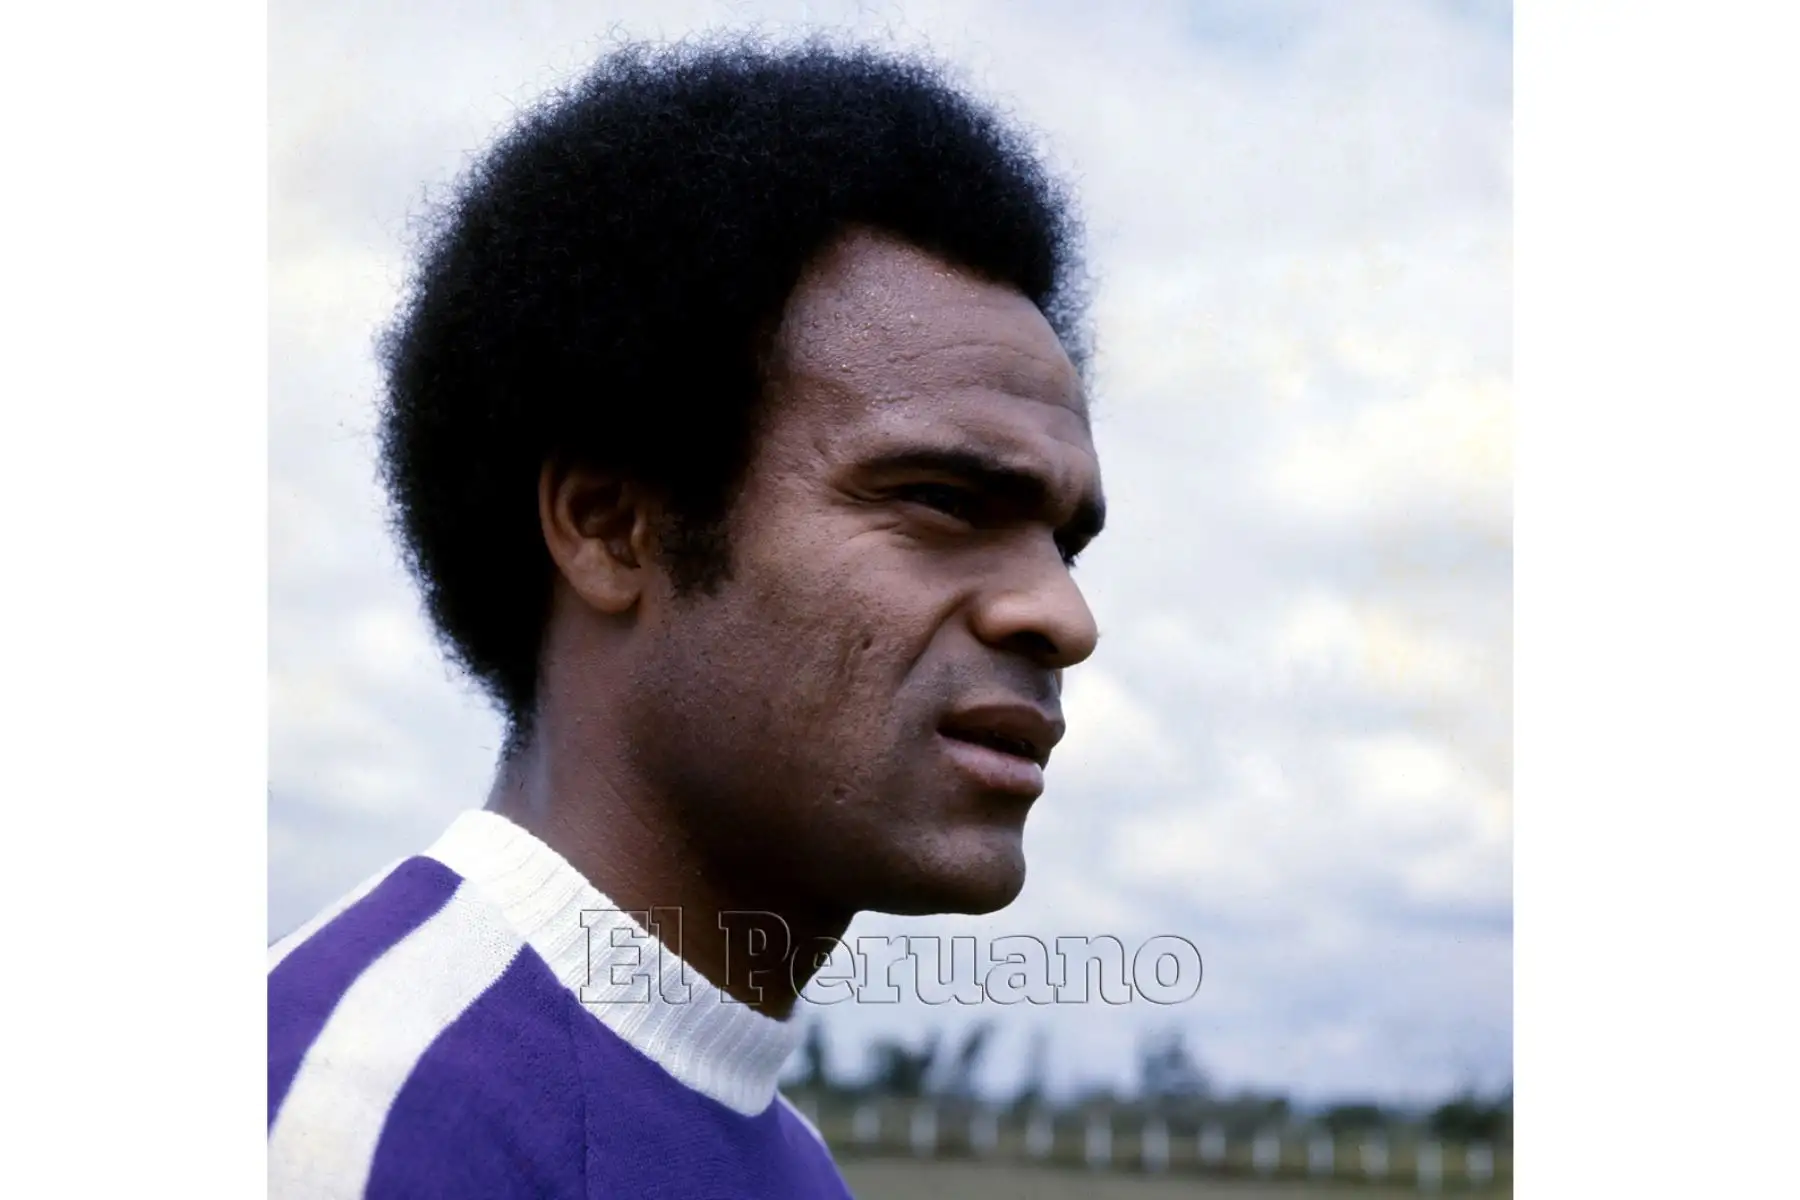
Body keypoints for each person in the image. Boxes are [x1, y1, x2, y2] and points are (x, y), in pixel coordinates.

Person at [268, 35, 1106, 1198]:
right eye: (941, 499)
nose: (1061, 615)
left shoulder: (796, 1168)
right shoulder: (343, 1125)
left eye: (1064, 543)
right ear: (614, 527)